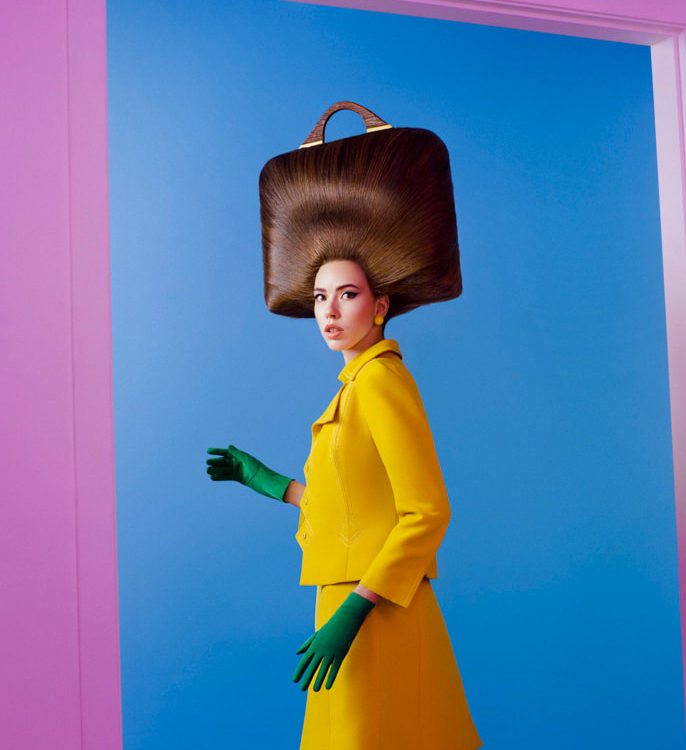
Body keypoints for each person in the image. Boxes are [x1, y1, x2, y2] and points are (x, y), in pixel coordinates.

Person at [207, 103, 482, 749]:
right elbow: (358, 507)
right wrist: (271, 483)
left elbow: (425, 512)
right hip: (345, 601)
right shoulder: (354, 387)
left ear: (380, 305)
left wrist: (356, 610)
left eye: (348, 294)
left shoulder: (381, 381)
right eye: (320, 296)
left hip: (376, 608)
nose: (329, 311)